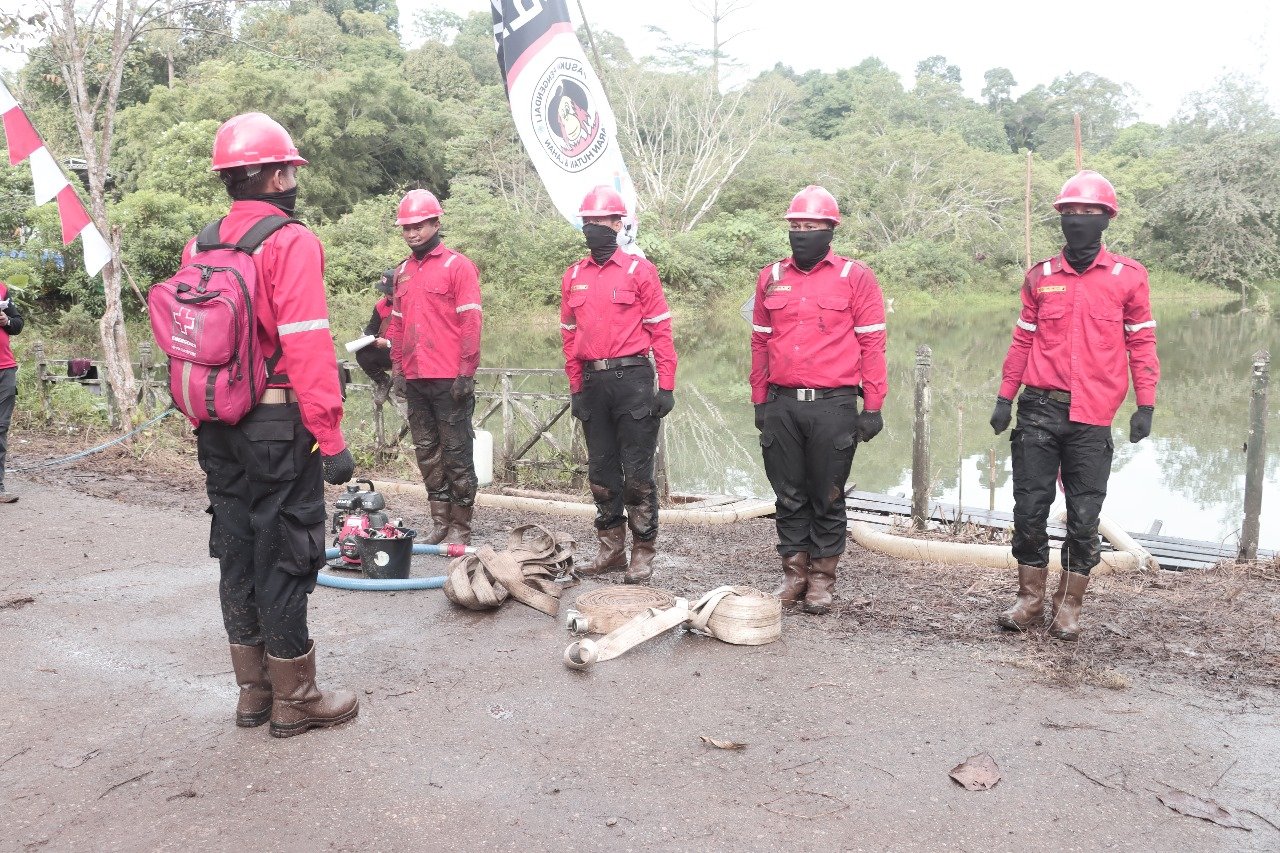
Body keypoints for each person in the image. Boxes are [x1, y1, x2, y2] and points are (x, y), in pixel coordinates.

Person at [194, 112, 358, 737]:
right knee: (286, 550)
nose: (294, 178)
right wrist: (332, 436)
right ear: (268, 174)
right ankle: (298, 698)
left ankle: (252, 694)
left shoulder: (202, 243)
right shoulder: (290, 241)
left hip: (217, 423)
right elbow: (309, 345)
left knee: (236, 549)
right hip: (278, 426)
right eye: (289, 168)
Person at [991, 169, 1160, 641]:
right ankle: (1028, 599)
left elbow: (1142, 344)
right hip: (1039, 408)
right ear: (1061, 219)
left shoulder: (1129, 277)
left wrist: (1145, 403)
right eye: (1071, 214)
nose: (1079, 221)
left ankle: (1069, 604)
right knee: (1029, 507)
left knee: (1085, 516)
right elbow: (1022, 342)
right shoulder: (1040, 277)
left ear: (1106, 219)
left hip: (1093, 414)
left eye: (1089, 214)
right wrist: (1005, 398)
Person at [750, 185, 888, 615]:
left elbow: (873, 344)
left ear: (831, 230)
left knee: (827, 493)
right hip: (782, 402)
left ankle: (822, 580)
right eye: (796, 226)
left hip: (834, 404)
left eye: (812, 226)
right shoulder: (771, 277)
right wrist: (760, 399)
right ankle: (793, 574)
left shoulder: (855, 276)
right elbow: (759, 342)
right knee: (788, 493)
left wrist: (874, 406)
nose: (803, 233)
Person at [561, 186, 677, 584]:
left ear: (619, 224)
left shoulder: (638, 270)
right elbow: (568, 337)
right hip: (594, 381)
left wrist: (667, 385)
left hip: (634, 382)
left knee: (638, 472)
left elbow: (661, 331)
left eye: (602, 222)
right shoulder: (573, 275)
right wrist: (576, 388)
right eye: (588, 222)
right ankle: (610, 549)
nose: (594, 228)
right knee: (601, 471)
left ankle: (643, 552)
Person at [388, 189, 483, 546]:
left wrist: (466, 372)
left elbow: (471, 323)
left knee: (457, 453)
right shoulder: (402, 272)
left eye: (419, 225)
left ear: (436, 223)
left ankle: (461, 525)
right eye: (406, 227)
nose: (412, 233)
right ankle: (439, 520)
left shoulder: (458, 266)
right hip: (415, 376)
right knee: (426, 450)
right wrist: (397, 367)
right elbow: (396, 323)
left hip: (449, 377)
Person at [354, 268, 397, 404]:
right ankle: (383, 381)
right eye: (386, 291)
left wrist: (389, 343)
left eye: (391, 291)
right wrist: (364, 337)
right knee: (362, 353)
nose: (388, 295)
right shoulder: (380, 306)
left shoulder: (411, 304)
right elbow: (372, 327)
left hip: (407, 352)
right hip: (387, 350)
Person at [0, 281, 23, 504]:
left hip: (5, 369)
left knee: (1, 426)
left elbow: (18, 324)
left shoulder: (3, 289)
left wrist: (7, 320)